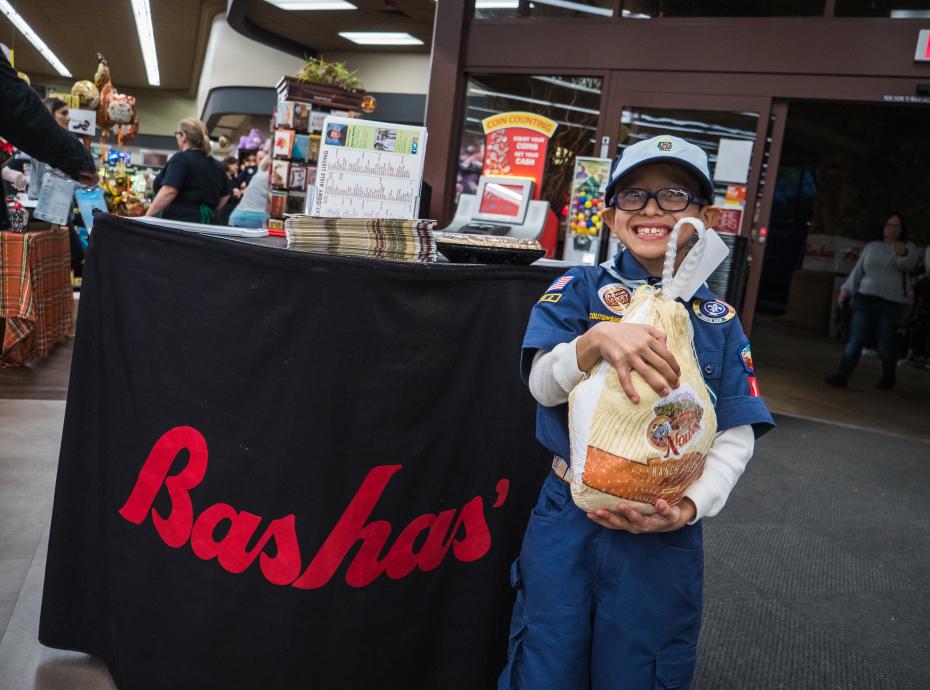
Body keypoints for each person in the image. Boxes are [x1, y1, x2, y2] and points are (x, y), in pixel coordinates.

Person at [499, 135, 774, 690]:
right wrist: (594, 342)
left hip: (661, 526)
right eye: (633, 196)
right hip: (569, 514)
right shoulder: (578, 290)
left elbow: (736, 430)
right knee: (545, 659)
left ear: (706, 216)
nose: (651, 210)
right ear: (609, 214)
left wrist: (689, 508)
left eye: (674, 195)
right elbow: (541, 385)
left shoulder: (718, 320)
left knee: (643, 669)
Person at [0, 45, 97, 230]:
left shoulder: (60, 141)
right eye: (64, 113)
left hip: (58, 213)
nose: (69, 118)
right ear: (51, 114)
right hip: (46, 213)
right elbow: (20, 110)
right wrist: (80, 161)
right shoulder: (41, 143)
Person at [826, 213, 918, 389]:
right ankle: (842, 375)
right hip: (866, 296)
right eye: (889, 224)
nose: (891, 229)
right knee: (856, 338)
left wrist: (902, 253)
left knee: (884, 341)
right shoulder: (872, 247)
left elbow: (908, 264)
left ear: (902, 229)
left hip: (891, 302)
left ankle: (888, 376)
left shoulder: (908, 247)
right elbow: (859, 270)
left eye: (896, 225)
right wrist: (846, 290)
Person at [146, 118, 228, 223]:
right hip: (210, 224)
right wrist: (210, 210)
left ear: (183, 136)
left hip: (182, 224)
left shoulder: (181, 159)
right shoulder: (216, 164)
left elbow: (169, 191)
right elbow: (225, 195)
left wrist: (147, 217)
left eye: (177, 133)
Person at [228, 147, 270, 229]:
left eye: (263, 158)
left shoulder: (264, 172)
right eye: (259, 158)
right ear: (256, 159)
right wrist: (238, 190)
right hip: (252, 211)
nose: (261, 161)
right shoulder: (250, 170)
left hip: (244, 212)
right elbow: (236, 182)